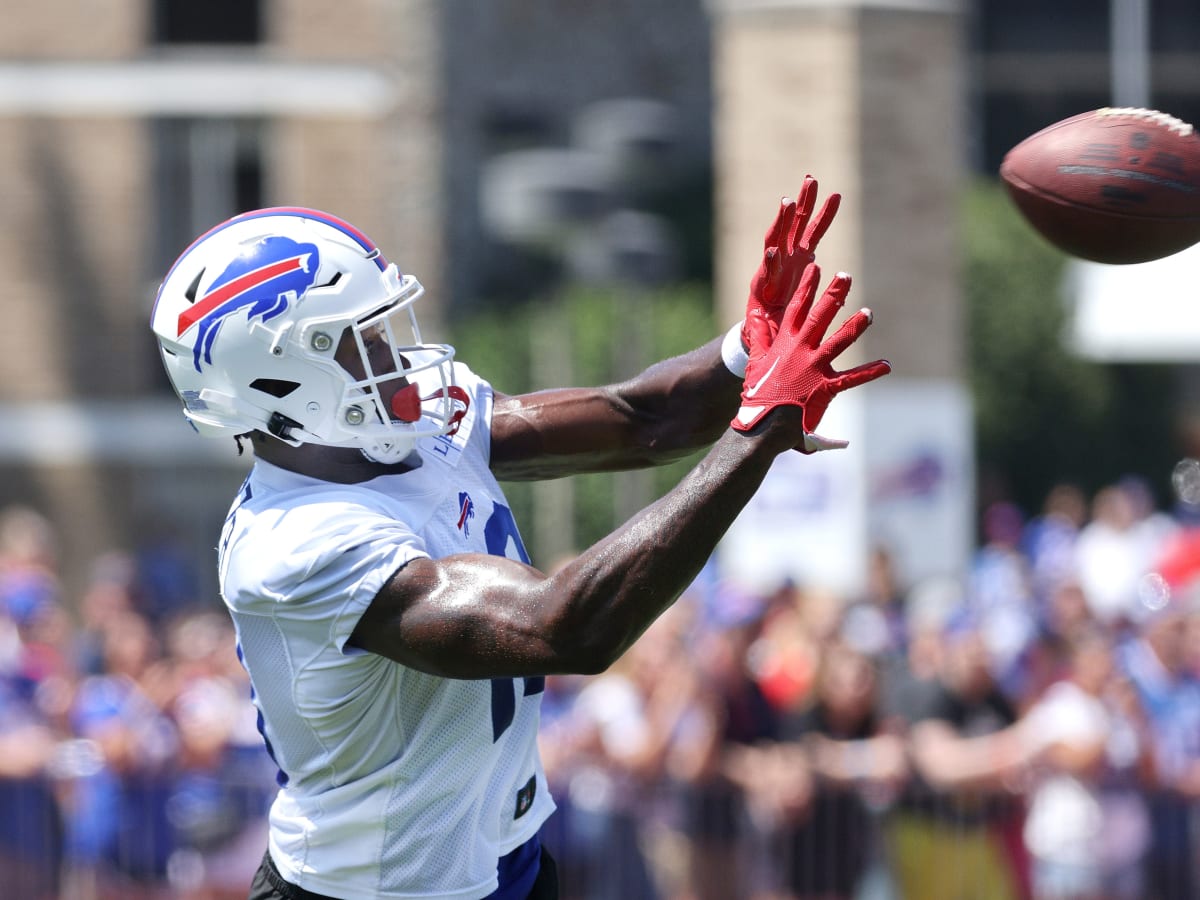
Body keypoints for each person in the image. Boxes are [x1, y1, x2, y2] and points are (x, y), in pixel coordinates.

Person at [148, 177, 890, 899]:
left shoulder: (406, 427)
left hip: (510, 865)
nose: (392, 355)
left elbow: (638, 419)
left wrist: (744, 352)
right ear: (282, 382)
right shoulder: (296, 543)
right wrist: (755, 434)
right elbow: (565, 627)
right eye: (357, 340)